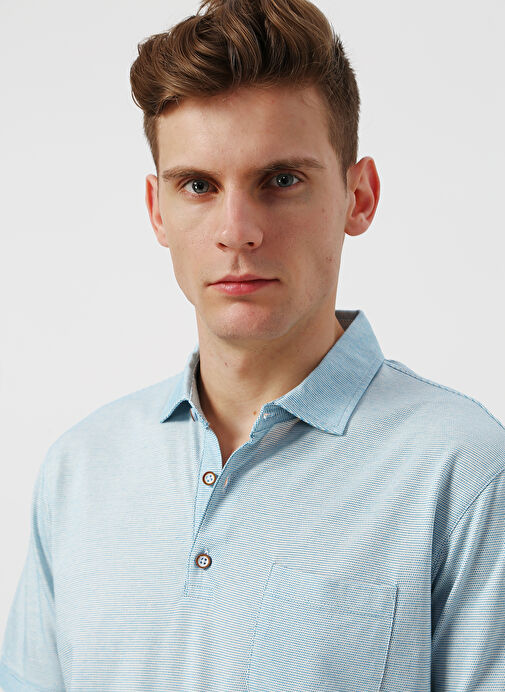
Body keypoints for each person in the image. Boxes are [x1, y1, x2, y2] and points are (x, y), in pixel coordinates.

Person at [1, 0, 504, 689]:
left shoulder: (463, 472)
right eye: (198, 185)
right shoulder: (81, 469)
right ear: (156, 209)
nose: (236, 230)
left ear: (359, 197)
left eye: (281, 180)